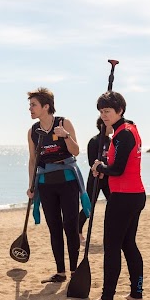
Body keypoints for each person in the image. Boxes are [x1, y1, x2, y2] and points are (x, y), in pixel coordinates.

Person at [27, 88, 88, 284]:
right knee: (54, 228)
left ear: (46, 106)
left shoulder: (63, 123)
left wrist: (66, 135)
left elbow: (76, 151)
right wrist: (31, 186)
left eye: (33, 105)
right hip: (45, 184)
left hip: (68, 180)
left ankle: (74, 270)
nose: (30, 109)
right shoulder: (33, 132)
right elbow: (32, 160)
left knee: (70, 225)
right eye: (30, 105)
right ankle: (60, 272)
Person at [90, 91, 145, 300]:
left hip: (123, 197)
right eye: (101, 112)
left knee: (112, 246)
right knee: (128, 244)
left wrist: (100, 167)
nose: (104, 116)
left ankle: (107, 298)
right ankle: (136, 293)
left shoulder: (123, 134)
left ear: (120, 111)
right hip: (134, 195)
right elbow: (122, 165)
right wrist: (105, 169)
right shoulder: (129, 129)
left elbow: (119, 168)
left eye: (108, 111)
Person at [78, 118, 111, 243]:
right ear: (102, 125)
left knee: (113, 204)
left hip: (108, 177)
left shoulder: (112, 141)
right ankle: (78, 230)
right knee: (89, 205)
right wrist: (99, 171)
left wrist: (107, 171)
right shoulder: (94, 141)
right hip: (95, 177)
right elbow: (91, 161)